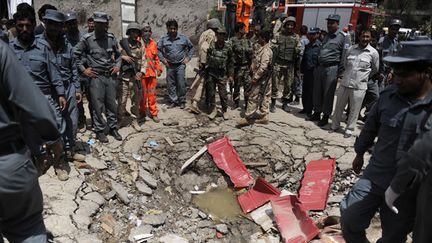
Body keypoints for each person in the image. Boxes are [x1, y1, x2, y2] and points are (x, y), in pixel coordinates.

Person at [340, 40, 432, 243]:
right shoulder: (388, 96)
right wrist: (359, 153)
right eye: (395, 73)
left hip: (407, 190)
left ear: (425, 72)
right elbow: (370, 127)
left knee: (393, 236)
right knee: (349, 218)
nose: (397, 80)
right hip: (376, 176)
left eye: (405, 75)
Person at [0, 39, 64, 243]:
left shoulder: (43, 47)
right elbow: (33, 103)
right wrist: (53, 136)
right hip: (7, 163)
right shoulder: (3, 50)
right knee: (27, 229)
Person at [10, 8, 68, 181]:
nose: (25, 29)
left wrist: (61, 94)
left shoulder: (43, 47)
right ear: (16, 27)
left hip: (44, 97)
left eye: (28, 25)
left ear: (34, 25)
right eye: (21, 26)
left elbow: (54, 72)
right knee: (29, 133)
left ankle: (58, 161)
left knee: (54, 131)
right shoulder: (9, 48)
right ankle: (41, 159)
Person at [43, 10, 82, 180]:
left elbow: (74, 68)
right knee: (55, 123)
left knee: (72, 120)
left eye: (57, 25)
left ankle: (69, 149)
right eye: (50, 23)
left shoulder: (68, 45)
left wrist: (78, 89)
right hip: (49, 91)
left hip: (68, 87)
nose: (53, 27)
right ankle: (58, 159)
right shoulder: (40, 45)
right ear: (45, 23)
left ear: (61, 27)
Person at [74, 12, 122, 143]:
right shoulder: (87, 39)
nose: (101, 27)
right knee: (97, 105)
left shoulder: (111, 38)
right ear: (94, 24)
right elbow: (75, 55)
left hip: (110, 76)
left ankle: (113, 127)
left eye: (103, 24)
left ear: (107, 25)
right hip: (96, 77)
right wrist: (84, 70)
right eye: (98, 24)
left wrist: (117, 66)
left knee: (112, 104)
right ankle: (100, 130)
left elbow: (118, 55)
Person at [330, 29, 379, 138]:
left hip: (359, 86)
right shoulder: (351, 49)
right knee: (339, 106)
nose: (365, 39)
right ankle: (334, 125)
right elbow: (345, 63)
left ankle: (349, 129)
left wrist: (363, 77)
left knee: (354, 109)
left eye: (367, 37)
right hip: (345, 83)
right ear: (359, 37)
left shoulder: (373, 53)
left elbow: (375, 69)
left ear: (370, 38)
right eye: (363, 36)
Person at [309, 14, 350, 127]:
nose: (329, 25)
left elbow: (345, 55)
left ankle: (326, 116)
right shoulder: (326, 36)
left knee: (328, 93)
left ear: (337, 24)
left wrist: (340, 72)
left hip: (332, 68)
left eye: (332, 23)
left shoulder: (343, 37)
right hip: (320, 67)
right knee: (317, 91)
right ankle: (317, 112)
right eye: (328, 23)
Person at [237, 30, 273, 126]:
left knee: (253, 97)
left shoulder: (266, 51)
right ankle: (264, 116)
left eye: (259, 37)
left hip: (261, 79)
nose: (258, 39)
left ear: (264, 39)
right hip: (263, 78)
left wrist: (256, 77)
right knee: (265, 97)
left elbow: (263, 66)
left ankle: (248, 117)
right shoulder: (263, 49)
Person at [157, 19, 194, 109]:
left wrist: (188, 58)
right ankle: (173, 100)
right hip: (169, 65)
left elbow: (191, 47)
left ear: (177, 28)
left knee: (181, 84)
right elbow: (158, 49)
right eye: (171, 29)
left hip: (180, 65)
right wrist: (163, 60)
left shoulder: (183, 38)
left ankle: (182, 101)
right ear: (167, 29)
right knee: (171, 84)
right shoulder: (164, 39)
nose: (173, 30)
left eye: (174, 29)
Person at [118, 22, 146, 131]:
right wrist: (123, 57)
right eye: (132, 32)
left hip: (136, 77)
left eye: (137, 32)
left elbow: (144, 61)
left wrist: (141, 72)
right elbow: (113, 56)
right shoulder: (122, 44)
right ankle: (119, 120)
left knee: (136, 101)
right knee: (122, 101)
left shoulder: (140, 45)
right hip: (124, 77)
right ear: (129, 32)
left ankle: (135, 120)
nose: (135, 34)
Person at [270, 16, 301, 113]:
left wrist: (298, 50)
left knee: (288, 85)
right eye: (288, 25)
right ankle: (273, 103)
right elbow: (272, 47)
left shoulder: (296, 37)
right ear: (285, 25)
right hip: (278, 63)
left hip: (289, 65)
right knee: (275, 84)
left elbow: (298, 49)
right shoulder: (278, 35)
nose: (290, 27)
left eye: (292, 25)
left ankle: (285, 103)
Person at [190, 18, 221, 114]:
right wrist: (205, 63)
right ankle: (195, 103)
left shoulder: (204, 33)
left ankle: (203, 102)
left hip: (203, 61)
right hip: (207, 63)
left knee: (203, 82)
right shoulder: (211, 34)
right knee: (203, 83)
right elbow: (204, 48)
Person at [205, 27, 234, 120]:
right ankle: (213, 110)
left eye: (223, 35)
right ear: (216, 35)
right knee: (211, 92)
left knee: (223, 94)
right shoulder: (212, 45)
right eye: (219, 34)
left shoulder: (228, 47)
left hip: (222, 74)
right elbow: (208, 57)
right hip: (211, 73)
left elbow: (230, 62)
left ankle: (224, 110)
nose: (221, 36)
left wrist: (230, 75)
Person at [140, 23, 163, 123]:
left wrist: (159, 69)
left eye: (149, 31)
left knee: (152, 94)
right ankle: (142, 112)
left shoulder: (153, 43)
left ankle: (154, 113)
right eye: (145, 31)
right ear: (141, 32)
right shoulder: (137, 43)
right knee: (142, 95)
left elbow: (156, 58)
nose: (147, 33)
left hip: (152, 74)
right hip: (142, 74)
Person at [231, 22, 253, 110]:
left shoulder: (247, 41)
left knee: (247, 86)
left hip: (246, 67)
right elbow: (230, 54)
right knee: (236, 86)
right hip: (237, 67)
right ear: (240, 30)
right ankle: (236, 102)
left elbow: (251, 54)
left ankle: (247, 103)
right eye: (244, 29)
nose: (245, 30)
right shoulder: (232, 41)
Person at [299, 27, 321, 117]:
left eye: (313, 34)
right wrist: (301, 71)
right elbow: (304, 58)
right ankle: (305, 108)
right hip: (307, 71)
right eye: (310, 34)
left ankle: (309, 110)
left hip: (314, 72)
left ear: (317, 35)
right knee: (305, 91)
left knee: (312, 92)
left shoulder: (320, 46)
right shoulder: (308, 46)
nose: (311, 36)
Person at [377, 19, 402, 90]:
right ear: (389, 29)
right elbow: (377, 58)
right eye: (393, 29)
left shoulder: (397, 42)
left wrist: (391, 72)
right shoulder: (382, 41)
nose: (395, 31)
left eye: (397, 29)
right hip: (381, 73)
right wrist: (380, 72)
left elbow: (396, 58)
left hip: (392, 73)